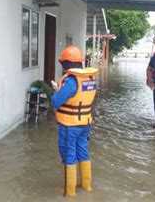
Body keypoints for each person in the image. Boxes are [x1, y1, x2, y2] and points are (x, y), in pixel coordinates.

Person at [51, 46, 99, 197]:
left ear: (66, 64)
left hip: (69, 125)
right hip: (84, 124)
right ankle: (86, 186)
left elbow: (56, 102)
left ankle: (69, 192)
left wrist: (57, 90)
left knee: (68, 154)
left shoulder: (71, 81)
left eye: (63, 64)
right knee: (83, 152)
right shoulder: (90, 78)